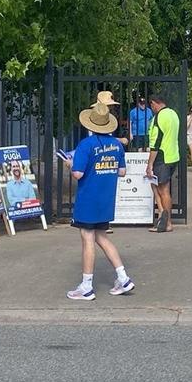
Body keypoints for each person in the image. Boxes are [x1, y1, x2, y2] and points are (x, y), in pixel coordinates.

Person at [63, 98, 135, 300]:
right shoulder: (116, 145)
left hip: (88, 198)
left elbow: (78, 174)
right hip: (106, 198)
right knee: (102, 237)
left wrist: (69, 164)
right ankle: (123, 277)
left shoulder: (86, 145)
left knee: (87, 238)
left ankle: (86, 286)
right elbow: (121, 172)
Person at [146, 93, 182, 233]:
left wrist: (150, 164)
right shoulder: (173, 114)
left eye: (151, 105)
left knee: (163, 191)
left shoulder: (158, 117)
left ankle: (167, 223)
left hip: (162, 157)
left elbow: (155, 142)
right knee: (159, 187)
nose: (152, 108)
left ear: (155, 103)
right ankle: (164, 219)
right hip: (173, 155)